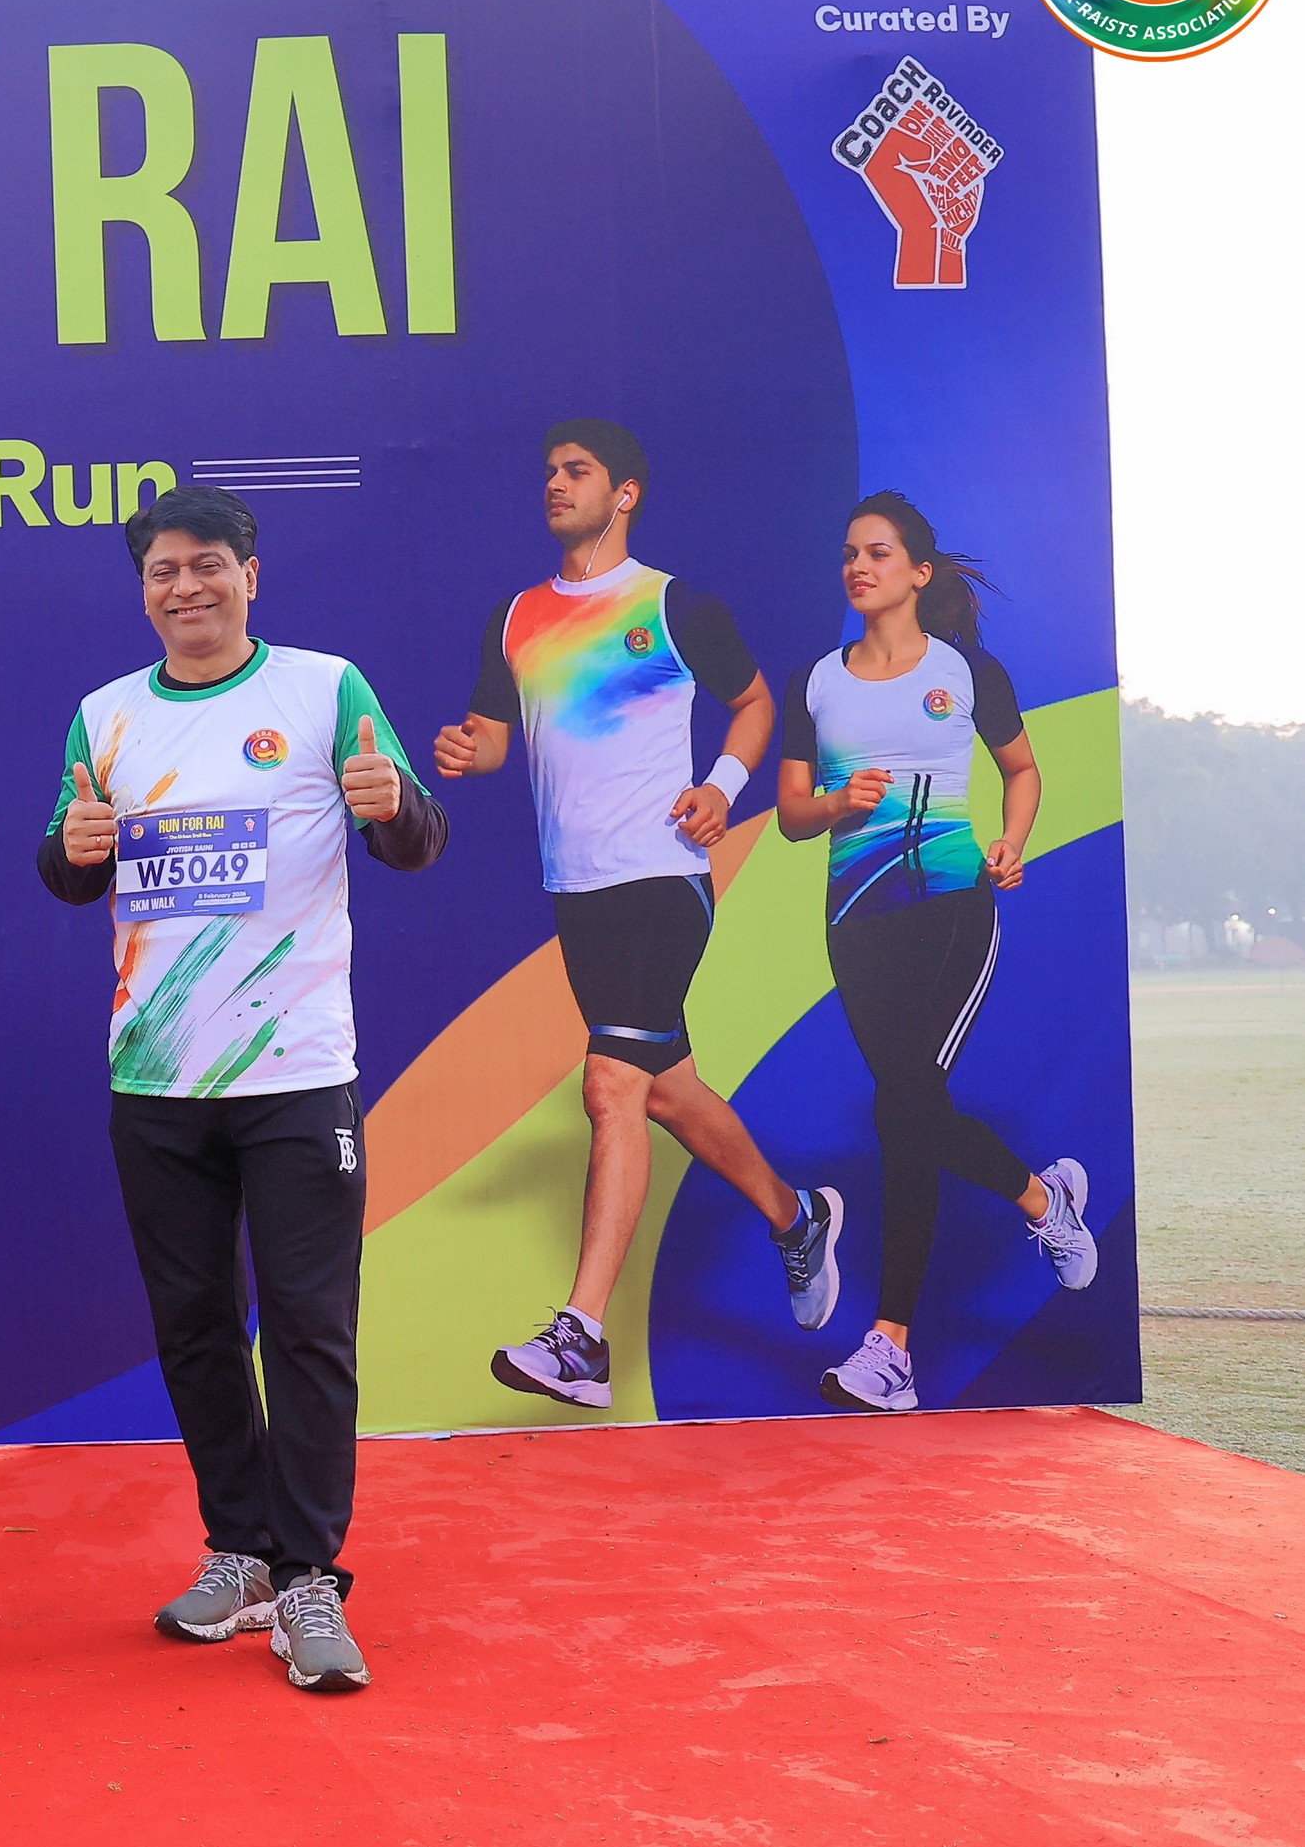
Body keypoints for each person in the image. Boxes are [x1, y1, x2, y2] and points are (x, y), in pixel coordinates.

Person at [39, 488, 447, 1695]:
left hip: (296, 1077)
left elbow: (415, 837)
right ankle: (242, 1549)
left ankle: (311, 1573)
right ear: (143, 590)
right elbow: (69, 862)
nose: (186, 587)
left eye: (206, 564)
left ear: (249, 575)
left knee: (309, 1327)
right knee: (194, 1326)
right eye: (163, 570)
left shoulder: (325, 689)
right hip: (155, 1080)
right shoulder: (106, 713)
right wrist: (68, 851)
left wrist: (394, 808)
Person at [434, 419, 845, 1411]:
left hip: (662, 877)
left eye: (576, 471)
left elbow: (754, 703)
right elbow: (493, 738)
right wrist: (462, 750)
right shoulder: (515, 616)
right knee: (663, 1087)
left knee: (610, 1083)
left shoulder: (673, 605)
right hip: (575, 891)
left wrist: (722, 786)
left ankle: (580, 1336)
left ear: (624, 493)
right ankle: (797, 1219)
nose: (556, 483)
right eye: (548, 471)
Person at [776, 494, 1095, 1413]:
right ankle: (1042, 1200)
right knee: (909, 1107)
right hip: (854, 924)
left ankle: (891, 1349)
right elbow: (792, 816)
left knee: (902, 1105)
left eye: (878, 552)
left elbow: (1021, 768)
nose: (857, 565)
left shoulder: (966, 672)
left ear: (918, 572)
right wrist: (835, 804)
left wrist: (1011, 841)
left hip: (953, 909)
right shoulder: (815, 682)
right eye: (849, 552)